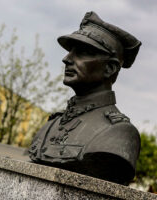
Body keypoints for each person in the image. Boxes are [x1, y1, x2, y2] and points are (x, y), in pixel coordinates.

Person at [29, 11, 142, 185]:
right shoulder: (51, 125)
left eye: (82, 53)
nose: (67, 59)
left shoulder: (119, 133)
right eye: (70, 52)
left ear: (109, 68)